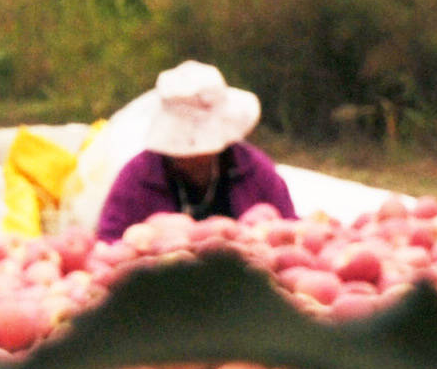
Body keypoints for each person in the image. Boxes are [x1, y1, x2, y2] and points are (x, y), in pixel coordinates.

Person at [96, 61, 296, 239]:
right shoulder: (138, 177)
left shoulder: (253, 169)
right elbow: (107, 243)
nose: (194, 155)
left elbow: (293, 232)